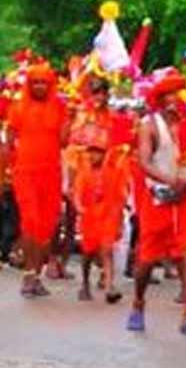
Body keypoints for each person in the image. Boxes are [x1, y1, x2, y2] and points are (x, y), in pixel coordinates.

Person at [127, 73, 186, 335]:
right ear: (161, 99)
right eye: (170, 95)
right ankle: (138, 303)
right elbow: (144, 162)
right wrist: (169, 180)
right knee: (146, 259)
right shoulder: (149, 125)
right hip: (158, 198)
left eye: (179, 94)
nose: (176, 100)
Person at [4, 63, 68, 298]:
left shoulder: (59, 108)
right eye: (36, 82)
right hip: (25, 172)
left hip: (51, 172)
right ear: (29, 85)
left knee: (47, 226)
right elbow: (9, 139)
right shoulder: (18, 107)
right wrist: (9, 168)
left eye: (44, 83)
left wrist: (68, 120)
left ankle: (36, 275)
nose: (40, 87)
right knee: (30, 221)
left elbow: (64, 141)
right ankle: (28, 275)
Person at [73, 119, 129, 304]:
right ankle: (85, 284)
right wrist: (79, 207)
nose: (93, 156)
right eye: (91, 152)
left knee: (107, 250)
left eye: (97, 152)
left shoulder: (115, 171)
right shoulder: (84, 172)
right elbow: (77, 194)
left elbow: (122, 194)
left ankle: (109, 287)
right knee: (87, 254)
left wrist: (120, 215)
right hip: (89, 218)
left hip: (108, 218)